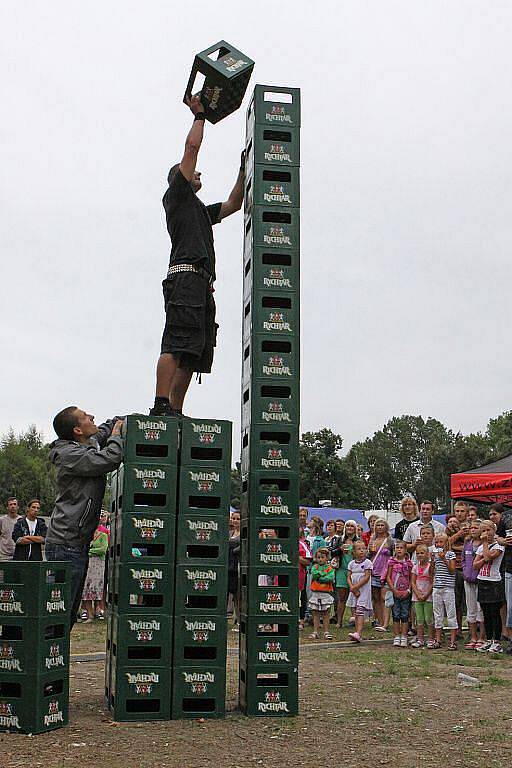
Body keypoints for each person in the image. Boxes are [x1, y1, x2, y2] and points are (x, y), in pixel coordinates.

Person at [150, 94, 245, 418]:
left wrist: (245, 168)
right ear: (181, 176)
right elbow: (191, 149)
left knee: (195, 351)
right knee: (177, 342)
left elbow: (234, 203)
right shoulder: (176, 195)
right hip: (185, 277)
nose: (199, 173)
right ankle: (160, 404)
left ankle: (175, 409)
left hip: (201, 284)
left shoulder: (201, 212)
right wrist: (200, 115)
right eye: (195, 173)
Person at [45, 407, 124, 628]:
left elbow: (100, 434)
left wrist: (119, 420)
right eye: (86, 416)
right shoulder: (73, 455)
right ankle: (47, 658)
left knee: (66, 614)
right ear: (77, 430)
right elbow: (110, 459)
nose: (92, 417)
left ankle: (55, 658)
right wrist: (117, 435)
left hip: (74, 544)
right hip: (66, 545)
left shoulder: (83, 445)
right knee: (59, 614)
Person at [474, 520, 505, 654]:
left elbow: (489, 556)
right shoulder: (481, 547)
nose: (486, 533)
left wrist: (485, 544)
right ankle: (488, 639)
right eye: (483, 531)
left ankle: (497, 641)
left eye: (488, 530)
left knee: (494, 612)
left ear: (494, 530)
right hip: (482, 580)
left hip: (494, 581)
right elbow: (475, 565)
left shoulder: (499, 546)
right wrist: (484, 559)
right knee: (485, 613)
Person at [431, 532, 458, 650]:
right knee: (437, 614)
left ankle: (453, 641)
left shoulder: (450, 554)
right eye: (436, 542)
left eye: (441, 542)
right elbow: (432, 572)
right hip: (437, 586)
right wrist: (432, 560)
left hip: (448, 587)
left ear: (446, 543)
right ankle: (438, 639)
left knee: (451, 613)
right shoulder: (435, 555)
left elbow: (452, 570)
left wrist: (444, 559)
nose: (438, 544)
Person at [461, 519, 485, 650]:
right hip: (468, 580)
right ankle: (473, 637)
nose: (474, 530)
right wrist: (465, 572)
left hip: (480, 581)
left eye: (476, 527)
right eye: (472, 527)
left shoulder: (483, 545)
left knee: (480, 609)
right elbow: (463, 559)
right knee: (470, 609)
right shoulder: (468, 543)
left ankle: (482, 637)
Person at [80, 513, 109, 621]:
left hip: (98, 565)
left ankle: (98, 610)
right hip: (87, 564)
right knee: (86, 588)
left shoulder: (103, 534)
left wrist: (90, 552)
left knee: (97, 588)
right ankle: (88, 613)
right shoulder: (86, 535)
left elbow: (103, 549)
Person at [386, 540, 413, 648]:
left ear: (405, 550)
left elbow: (411, 578)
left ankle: (404, 636)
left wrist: (408, 590)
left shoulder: (409, 563)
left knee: (405, 614)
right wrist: (393, 590)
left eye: (401, 548)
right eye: (397, 548)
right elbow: (388, 577)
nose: (399, 550)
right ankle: (396, 636)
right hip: (395, 591)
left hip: (405, 592)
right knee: (396, 614)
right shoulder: (391, 562)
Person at [368, 518, 393, 632]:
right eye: (378, 525)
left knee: (384, 597)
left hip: (386, 571)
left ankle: (385, 622)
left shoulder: (390, 540)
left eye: (382, 525)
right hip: (374, 570)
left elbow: (394, 554)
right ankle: (379, 620)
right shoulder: (372, 540)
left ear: (386, 527)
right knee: (375, 597)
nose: (380, 527)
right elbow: (368, 555)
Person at [333, 519, 359, 628]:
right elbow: (332, 552)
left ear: (355, 529)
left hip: (355, 571)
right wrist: (340, 549)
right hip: (342, 570)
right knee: (341, 597)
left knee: (355, 596)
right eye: (347, 526)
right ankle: (339, 621)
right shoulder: (340, 540)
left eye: (352, 526)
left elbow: (363, 553)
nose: (349, 528)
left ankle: (355, 621)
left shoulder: (358, 541)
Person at [446, 515, 469, 635]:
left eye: (455, 522)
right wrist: (458, 535)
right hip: (453, 570)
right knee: (456, 602)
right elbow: (446, 544)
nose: (453, 524)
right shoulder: (446, 534)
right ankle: (457, 629)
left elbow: (468, 546)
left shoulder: (466, 533)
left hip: (466, 569)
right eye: (450, 522)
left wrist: (456, 545)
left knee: (468, 602)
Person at [346, 541, 373, 643]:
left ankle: (358, 632)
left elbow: (366, 577)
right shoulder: (351, 564)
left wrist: (356, 587)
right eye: (359, 549)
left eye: (363, 548)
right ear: (353, 552)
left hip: (363, 591)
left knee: (360, 610)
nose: (362, 550)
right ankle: (356, 632)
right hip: (354, 590)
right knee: (356, 611)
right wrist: (352, 587)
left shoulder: (367, 563)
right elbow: (348, 577)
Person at [308, 547, 335, 640]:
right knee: (315, 613)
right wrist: (322, 575)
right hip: (316, 593)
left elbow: (330, 578)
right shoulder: (314, 567)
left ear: (327, 558)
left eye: (322, 557)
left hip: (325, 593)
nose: (320, 559)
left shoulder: (330, 568)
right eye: (318, 557)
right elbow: (314, 574)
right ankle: (315, 631)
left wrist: (320, 577)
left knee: (326, 613)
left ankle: (326, 631)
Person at [411, 543, 434, 648]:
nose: (420, 555)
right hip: (417, 597)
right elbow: (413, 582)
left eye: (422, 553)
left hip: (428, 596)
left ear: (427, 554)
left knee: (429, 618)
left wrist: (426, 594)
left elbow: (432, 581)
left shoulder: (430, 567)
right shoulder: (415, 567)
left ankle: (431, 639)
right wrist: (417, 593)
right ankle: (420, 639)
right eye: (418, 553)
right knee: (419, 619)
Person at [228, 510, 241, 630]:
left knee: (239, 595)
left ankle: (241, 619)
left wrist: (233, 551)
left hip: (239, 566)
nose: (235, 521)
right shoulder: (230, 533)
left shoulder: (243, 535)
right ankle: (236, 617)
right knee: (233, 595)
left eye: (238, 519)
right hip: (230, 567)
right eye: (234, 518)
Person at [299, 527, 312, 630]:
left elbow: (308, 561)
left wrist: (296, 556)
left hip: (299, 577)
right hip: (282, 577)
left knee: (301, 598)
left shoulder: (302, 543)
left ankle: (301, 620)